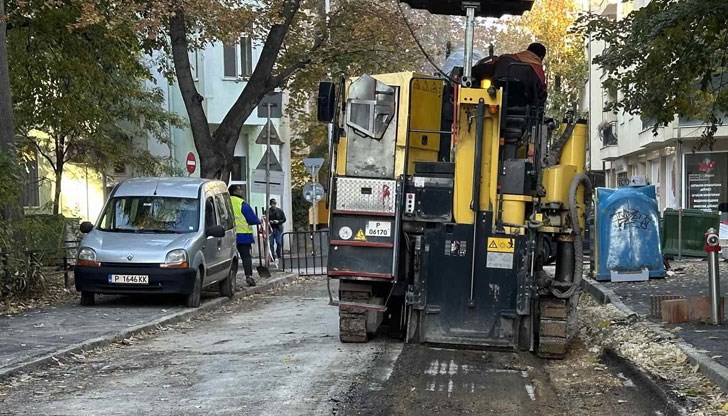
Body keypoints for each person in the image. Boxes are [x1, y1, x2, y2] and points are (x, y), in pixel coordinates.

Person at [472, 42, 547, 107]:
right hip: (522, 109)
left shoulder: (504, 59)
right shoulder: (537, 70)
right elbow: (541, 93)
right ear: (541, 57)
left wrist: (468, 71)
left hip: (495, 101)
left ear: (527, 50)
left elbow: (482, 69)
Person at [228, 185, 260, 287]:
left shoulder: (225, 202)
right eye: (239, 189)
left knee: (228, 258)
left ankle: (229, 279)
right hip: (243, 236)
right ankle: (248, 276)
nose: (241, 191)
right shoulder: (241, 203)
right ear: (235, 191)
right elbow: (252, 219)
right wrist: (259, 220)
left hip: (228, 235)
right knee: (246, 257)